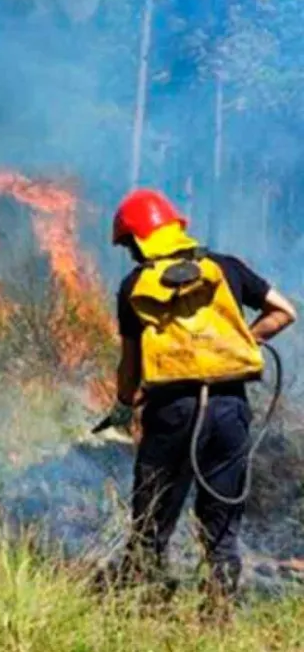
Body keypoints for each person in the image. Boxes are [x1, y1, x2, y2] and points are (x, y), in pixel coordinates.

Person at [108, 189, 297, 606]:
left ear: (138, 240)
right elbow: (285, 311)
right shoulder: (225, 267)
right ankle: (220, 611)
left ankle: (142, 605)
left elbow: (129, 365)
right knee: (222, 522)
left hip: (174, 412)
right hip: (230, 407)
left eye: (127, 244)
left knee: (153, 517)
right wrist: (239, 343)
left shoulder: (134, 285)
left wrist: (125, 399)